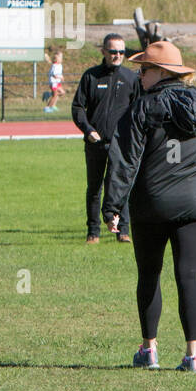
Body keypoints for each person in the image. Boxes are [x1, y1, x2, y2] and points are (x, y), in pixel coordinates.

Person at [103, 41, 196, 373]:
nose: (139, 76)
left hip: (151, 204)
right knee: (189, 277)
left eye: (144, 70)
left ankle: (150, 349)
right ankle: (193, 355)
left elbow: (123, 159)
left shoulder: (143, 108)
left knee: (149, 275)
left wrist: (112, 206)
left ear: (161, 73)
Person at [71, 33, 138, 243]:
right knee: (95, 187)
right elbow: (78, 107)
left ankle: (122, 230)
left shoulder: (131, 78)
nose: (117, 55)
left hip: (121, 143)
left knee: (120, 186)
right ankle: (93, 231)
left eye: (121, 52)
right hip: (95, 143)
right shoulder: (91, 76)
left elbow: (138, 110)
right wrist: (88, 129)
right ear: (103, 52)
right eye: (113, 51)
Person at [43, 47, 65, 113]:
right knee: (55, 96)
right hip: (53, 83)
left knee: (62, 93)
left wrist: (61, 76)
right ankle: (47, 108)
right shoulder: (54, 66)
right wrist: (60, 77)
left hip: (57, 82)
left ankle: (52, 103)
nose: (61, 58)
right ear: (57, 58)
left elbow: (59, 73)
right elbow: (54, 75)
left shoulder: (59, 65)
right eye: (60, 57)